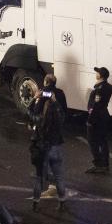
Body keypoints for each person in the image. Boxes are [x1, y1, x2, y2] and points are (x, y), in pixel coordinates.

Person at [28, 74, 67, 212]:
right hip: (55, 145)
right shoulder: (58, 107)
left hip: (42, 146)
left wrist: (35, 98)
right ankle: (62, 202)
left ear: (45, 82)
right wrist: (55, 102)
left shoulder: (39, 118)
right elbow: (63, 114)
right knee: (59, 176)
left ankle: (35, 203)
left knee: (39, 177)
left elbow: (30, 112)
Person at [85, 67, 112, 174]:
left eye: (97, 72)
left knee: (93, 142)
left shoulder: (99, 89)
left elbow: (96, 106)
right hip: (104, 116)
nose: (96, 73)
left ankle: (98, 164)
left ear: (100, 75)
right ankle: (105, 164)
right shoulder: (109, 86)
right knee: (103, 141)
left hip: (97, 118)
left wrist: (90, 120)